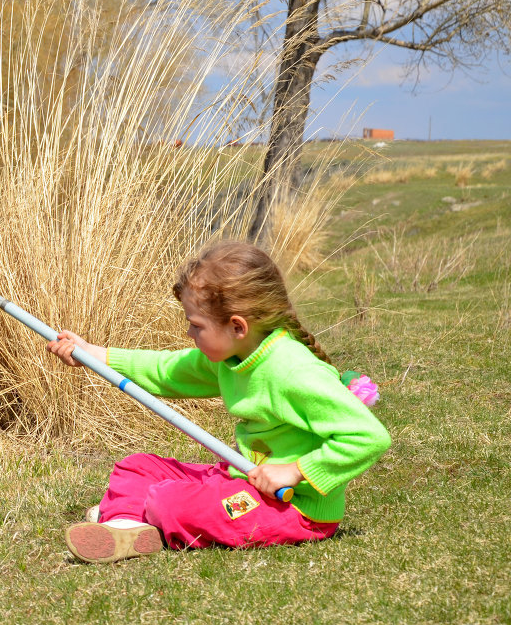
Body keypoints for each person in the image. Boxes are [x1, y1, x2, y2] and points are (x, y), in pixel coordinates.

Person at [46, 241, 391, 564]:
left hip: (294, 508)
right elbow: (167, 370)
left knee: (168, 501)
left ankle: (140, 515)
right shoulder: (235, 355)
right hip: (240, 482)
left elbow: (369, 437)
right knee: (137, 466)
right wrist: (96, 354)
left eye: (195, 325)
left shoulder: (293, 371)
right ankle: (125, 529)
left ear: (237, 326)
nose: (189, 335)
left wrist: (295, 471)